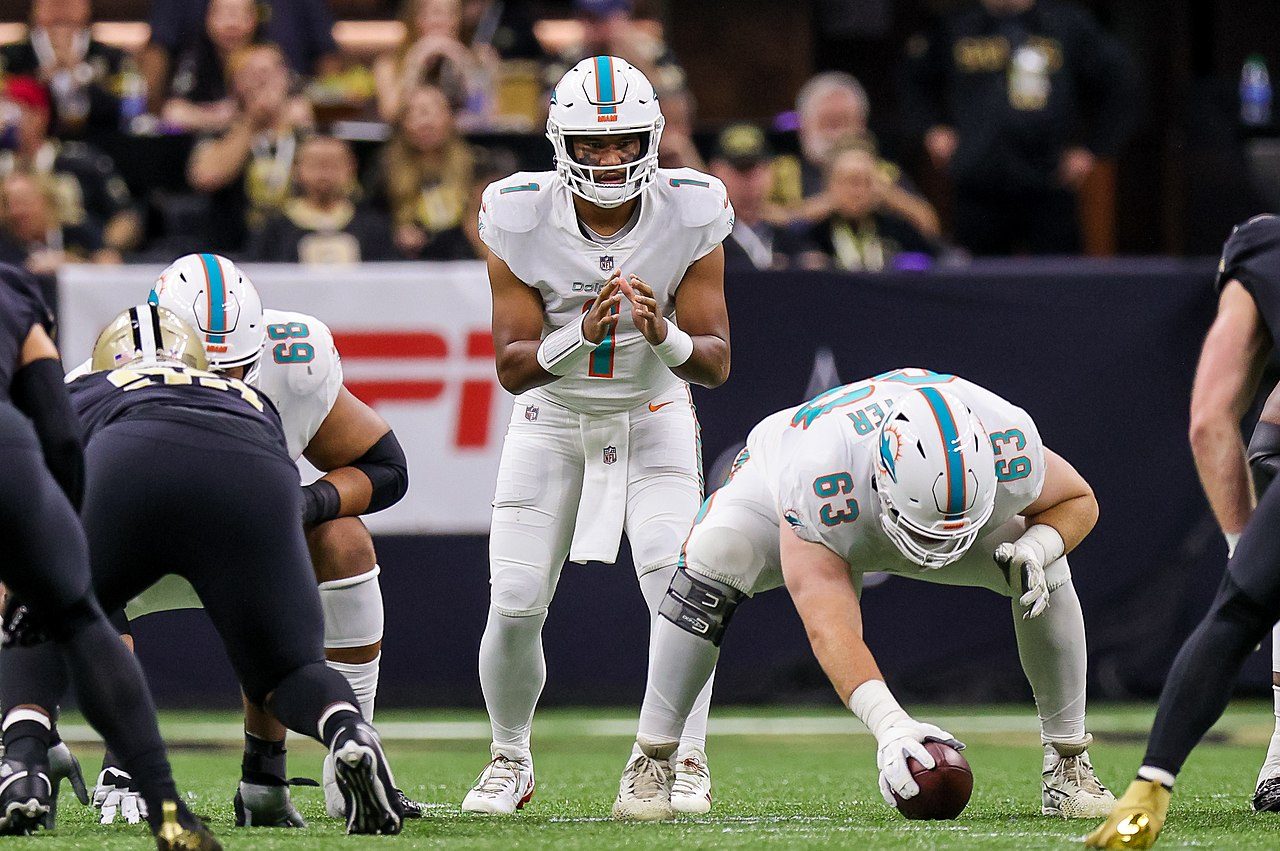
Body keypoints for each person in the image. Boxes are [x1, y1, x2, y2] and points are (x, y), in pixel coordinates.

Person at [614, 368, 1114, 821]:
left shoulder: (1008, 436)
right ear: (884, 476)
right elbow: (828, 620)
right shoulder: (820, 470)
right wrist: (890, 725)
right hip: (783, 494)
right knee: (714, 555)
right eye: (931, 532)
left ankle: (1068, 762)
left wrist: (1039, 544)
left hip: (912, 505)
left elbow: (1077, 499)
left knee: (1044, 569)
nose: (935, 550)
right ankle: (653, 756)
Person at [6, 301, 406, 836]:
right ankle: (342, 726)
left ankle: (26, 758)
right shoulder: (250, 395)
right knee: (285, 669)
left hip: (132, 476)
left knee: (41, 605)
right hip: (248, 477)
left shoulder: (85, 387)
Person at [465, 55, 733, 818]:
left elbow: (713, 361)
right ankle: (509, 756)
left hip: (653, 416)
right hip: (551, 420)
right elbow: (514, 369)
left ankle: (683, 756)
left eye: (623, 144)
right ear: (562, 144)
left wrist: (665, 334)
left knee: (680, 593)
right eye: (591, 144)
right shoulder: (518, 212)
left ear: (652, 138)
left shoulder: (690, 208)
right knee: (514, 601)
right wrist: (578, 336)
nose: (610, 159)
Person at [0, 267, 217, 848]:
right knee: (70, 603)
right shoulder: (13, 290)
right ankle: (151, 792)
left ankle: (24, 753)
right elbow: (59, 436)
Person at [1083, 215, 1280, 848]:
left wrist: (1241, 548)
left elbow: (1211, 419)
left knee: (1242, 610)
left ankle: (1147, 795)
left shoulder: (1265, 244)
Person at [899, 0, 1136, 255]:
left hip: (1049, 182)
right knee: (977, 285)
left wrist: (1094, 149)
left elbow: (1121, 82)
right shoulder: (957, 25)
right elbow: (912, 79)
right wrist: (931, 129)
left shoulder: (1065, 24)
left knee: (1057, 284)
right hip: (979, 184)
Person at [773, 72, 940, 238]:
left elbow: (930, 226)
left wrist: (883, 193)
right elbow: (760, 220)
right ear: (804, 126)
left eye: (845, 122)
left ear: (862, 126)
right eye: (829, 123)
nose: (837, 135)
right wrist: (830, 202)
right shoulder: (780, 172)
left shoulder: (884, 172)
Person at [186, 44, 314, 253]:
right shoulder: (219, 132)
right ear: (234, 84)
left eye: (268, 72)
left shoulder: (306, 133)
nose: (261, 81)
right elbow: (205, 176)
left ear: (287, 78)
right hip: (236, 250)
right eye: (249, 74)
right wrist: (250, 124)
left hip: (298, 248)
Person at [0, 75, 140, 254]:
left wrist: (102, 251)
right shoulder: (4, 168)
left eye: (14, 112)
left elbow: (125, 215)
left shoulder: (80, 163)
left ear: (40, 115)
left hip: (80, 258)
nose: (7, 121)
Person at [247, 135, 395, 264]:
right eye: (315, 164)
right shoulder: (274, 229)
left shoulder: (372, 227)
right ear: (295, 169)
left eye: (334, 164)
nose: (324, 172)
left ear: (351, 168)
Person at [370, 84, 476, 260]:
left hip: (462, 258)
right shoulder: (385, 168)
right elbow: (371, 217)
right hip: (407, 261)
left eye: (432, 113)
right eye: (413, 115)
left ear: (450, 118)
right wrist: (395, 232)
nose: (424, 123)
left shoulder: (476, 164)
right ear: (402, 124)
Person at [0, 0, 127, 141]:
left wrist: (79, 74)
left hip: (98, 147)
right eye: (53, 3)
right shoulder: (8, 58)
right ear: (35, 7)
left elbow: (123, 113)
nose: (61, 7)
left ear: (87, 7)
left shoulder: (112, 58)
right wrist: (40, 80)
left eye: (70, 2)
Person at [800, 144, 939, 272]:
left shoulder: (895, 229)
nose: (857, 192)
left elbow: (932, 234)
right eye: (850, 181)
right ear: (830, 185)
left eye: (866, 182)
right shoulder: (814, 233)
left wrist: (891, 195)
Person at [373, 0, 496, 128]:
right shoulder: (389, 64)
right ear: (415, 18)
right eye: (432, 13)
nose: (440, 21)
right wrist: (416, 63)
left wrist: (465, 64)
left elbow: (486, 115)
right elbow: (391, 114)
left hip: (464, 142)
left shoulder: (481, 57)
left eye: (450, 13)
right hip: (410, 144)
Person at [157, 0, 265, 134]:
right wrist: (219, 116)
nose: (231, 25)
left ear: (255, 18)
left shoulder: (267, 57)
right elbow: (172, 112)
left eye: (240, 14)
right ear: (208, 18)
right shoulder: (197, 56)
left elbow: (295, 110)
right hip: (209, 146)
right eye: (223, 14)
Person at [707, 124, 801, 272]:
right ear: (716, 171)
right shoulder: (707, 238)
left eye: (757, 171)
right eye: (740, 171)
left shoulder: (791, 236)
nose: (749, 182)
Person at [0, 170, 114, 276]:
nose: (15, 212)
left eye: (23, 202)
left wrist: (71, 263)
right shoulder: (6, 242)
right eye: (7, 204)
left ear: (47, 202)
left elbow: (110, 268)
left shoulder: (78, 230)